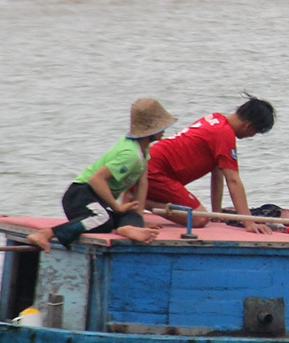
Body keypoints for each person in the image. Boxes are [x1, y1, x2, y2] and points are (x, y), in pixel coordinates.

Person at [27, 98, 176, 252]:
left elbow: (142, 182)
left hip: (98, 200)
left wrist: (139, 218)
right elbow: (96, 179)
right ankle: (46, 234)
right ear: (150, 131)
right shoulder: (130, 155)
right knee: (103, 219)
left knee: (129, 215)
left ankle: (128, 227)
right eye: (161, 127)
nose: (164, 130)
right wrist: (116, 207)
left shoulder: (142, 150)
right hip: (80, 195)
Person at [147, 95, 276, 234]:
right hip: (156, 171)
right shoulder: (224, 134)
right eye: (254, 132)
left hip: (151, 163)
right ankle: (141, 200)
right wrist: (249, 222)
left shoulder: (215, 119)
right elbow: (233, 180)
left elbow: (217, 174)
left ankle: (139, 196)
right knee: (199, 218)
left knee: (205, 216)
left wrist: (216, 212)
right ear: (248, 126)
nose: (251, 136)